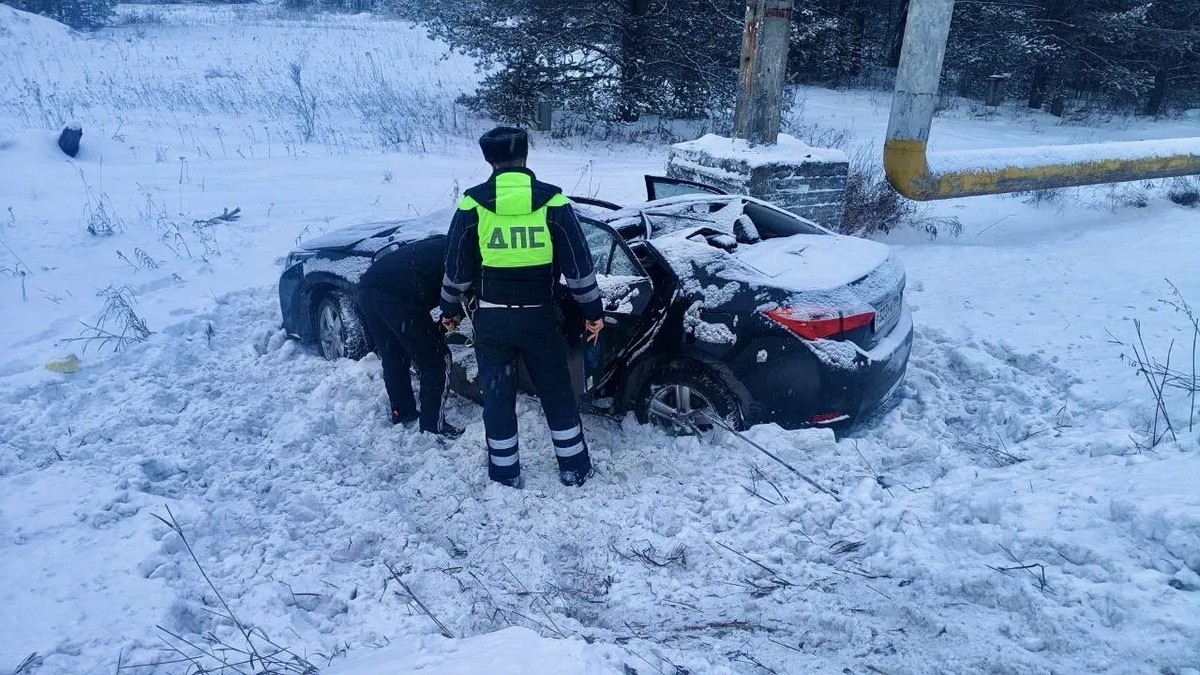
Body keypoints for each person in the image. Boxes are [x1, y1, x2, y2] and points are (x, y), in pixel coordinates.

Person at [440, 126, 604, 488]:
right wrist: (594, 313)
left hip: (493, 321)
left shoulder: (472, 205)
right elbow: (579, 270)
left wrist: (448, 310)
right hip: (540, 319)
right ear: (525, 157)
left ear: (490, 161)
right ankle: (574, 468)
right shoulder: (554, 203)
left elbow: (456, 270)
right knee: (557, 392)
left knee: (498, 398)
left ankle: (504, 473)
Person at [357, 234, 464, 439]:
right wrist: (450, 318)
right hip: (399, 296)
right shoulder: (464, 257)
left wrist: (442, 323)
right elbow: (459, 295)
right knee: (437, 359)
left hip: (368, 287)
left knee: (393, 355)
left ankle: (402, 411)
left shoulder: (444, 242)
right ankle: (433, 427)